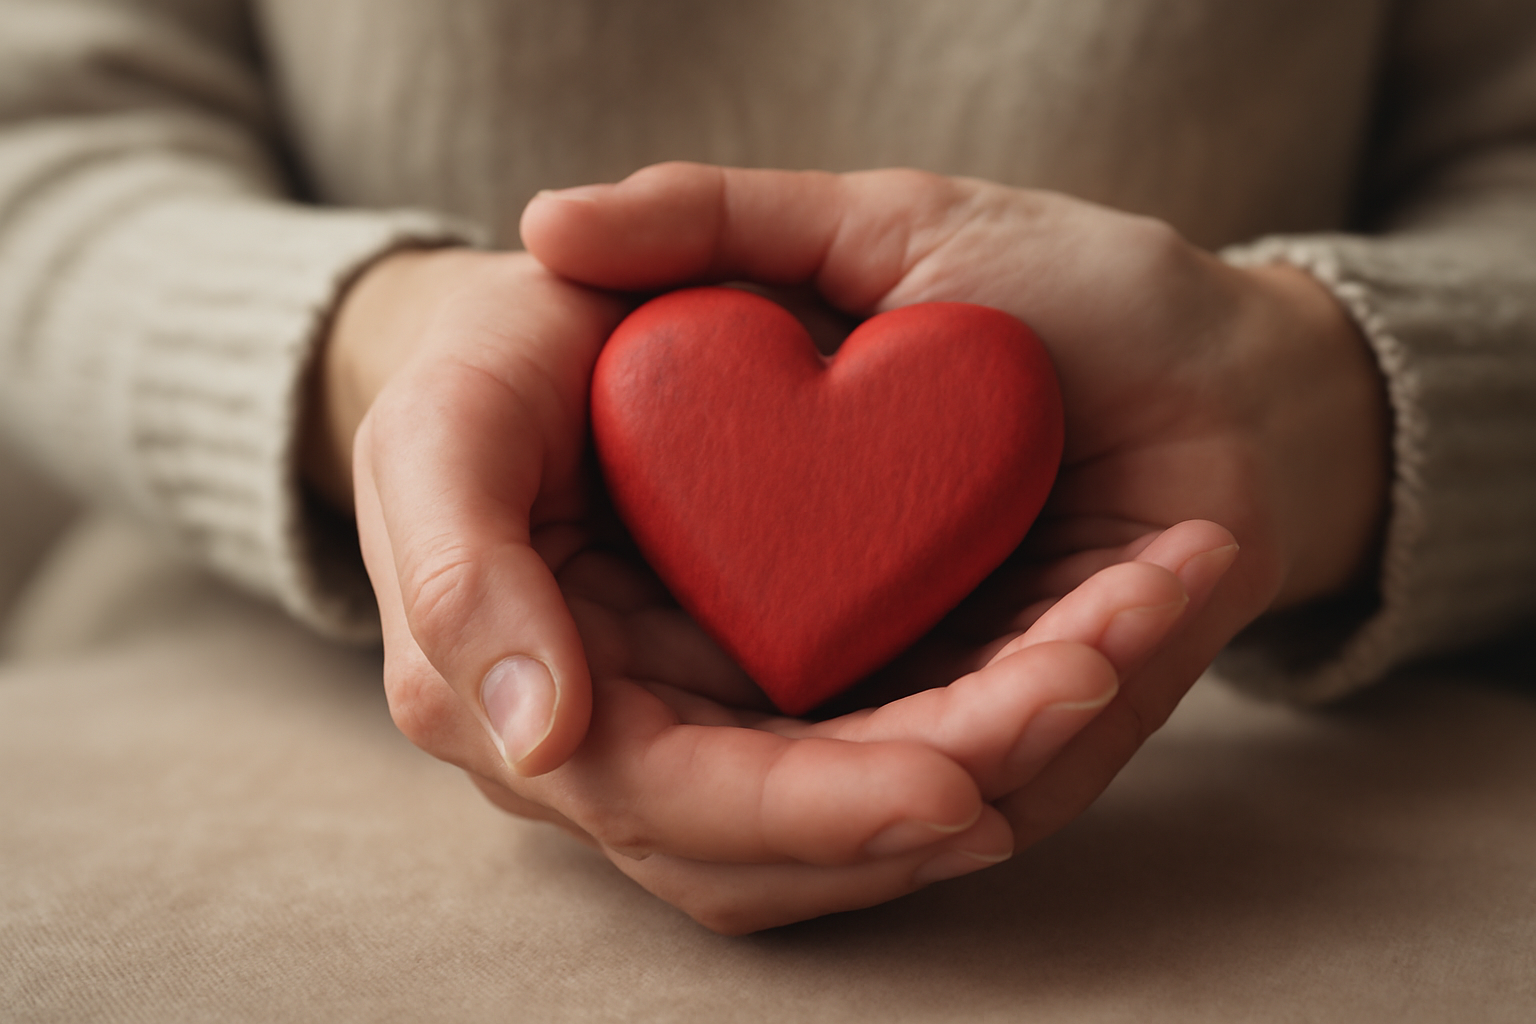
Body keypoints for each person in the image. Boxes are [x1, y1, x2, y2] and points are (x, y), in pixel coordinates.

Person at [1, 1, 1533, 935]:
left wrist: (1293, 406)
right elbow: (39, 144)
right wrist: (386, 361)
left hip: (1307, 708)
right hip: (246, 646)